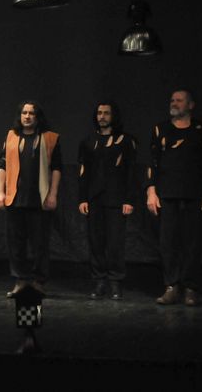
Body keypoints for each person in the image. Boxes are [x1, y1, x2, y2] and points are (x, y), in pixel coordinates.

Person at [147, 89, 202, 306]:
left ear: (190, 105)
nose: (174, 103)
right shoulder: (161, 129)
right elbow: (152, 163)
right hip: (167, 194)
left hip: (194, 194)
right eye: (172, 100)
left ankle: (190, 287)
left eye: (179, 100)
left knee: (192, 242)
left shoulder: (201, 130)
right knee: (167, 242)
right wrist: (151, 192)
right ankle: (171, 286)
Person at [0, 100, 62, 297]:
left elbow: (57, 168)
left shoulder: (50, 138)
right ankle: (21, 280)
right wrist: (0, 192)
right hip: (15, 199)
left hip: (39, 199)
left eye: (31, 113)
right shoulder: (11, 136)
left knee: (40, 244)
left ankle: (38, 281)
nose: (27, 116)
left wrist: (53, 194)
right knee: (16, 244)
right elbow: (2, 166)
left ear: (37, 116)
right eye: (24, 113)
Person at [77, 102, 137, 300]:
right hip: (94, 199)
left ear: (113, 116)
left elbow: (131, 172)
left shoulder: (126, 141)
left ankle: (115, 281)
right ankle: (99, 280)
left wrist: (129, 200)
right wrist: (82, 198)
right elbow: (83, 172)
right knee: (96, 241)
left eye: (106, 113)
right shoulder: (88, 142)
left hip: (117, 199)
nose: (102, 116)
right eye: (99, 113)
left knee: (115, 242)